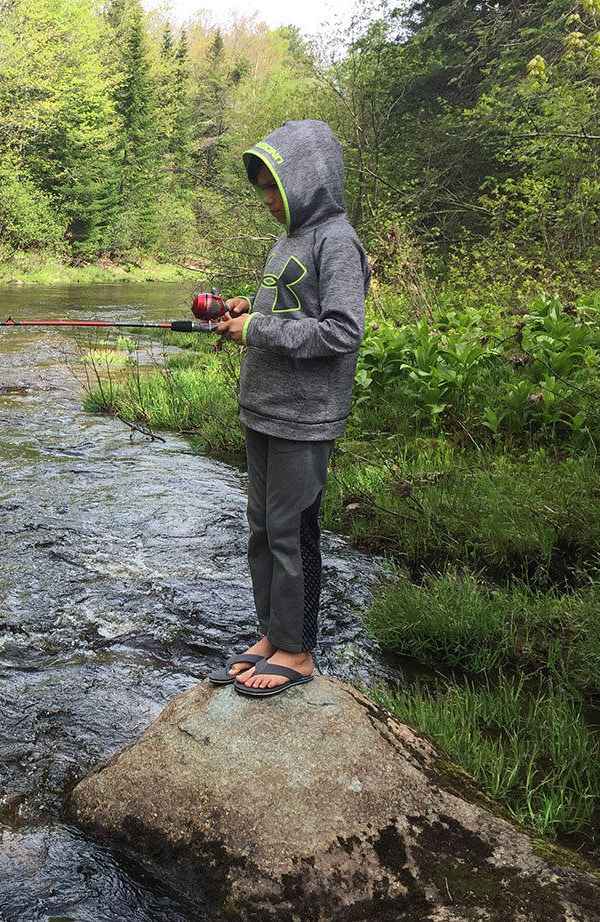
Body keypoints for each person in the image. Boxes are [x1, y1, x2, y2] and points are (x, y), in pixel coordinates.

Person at [204, 119, 370, 697]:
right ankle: (273, 635)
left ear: (309, 178)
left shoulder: (337, 240)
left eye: (274, 186)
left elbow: (343, 332)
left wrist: (262, 329)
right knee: (260, 531)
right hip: (263, 410)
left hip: (306, 420)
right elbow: (286, 310)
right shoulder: (286, 241)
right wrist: (241, 312)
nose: (268, 200)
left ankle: (297, 652)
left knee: (291, 533)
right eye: (262, 190)